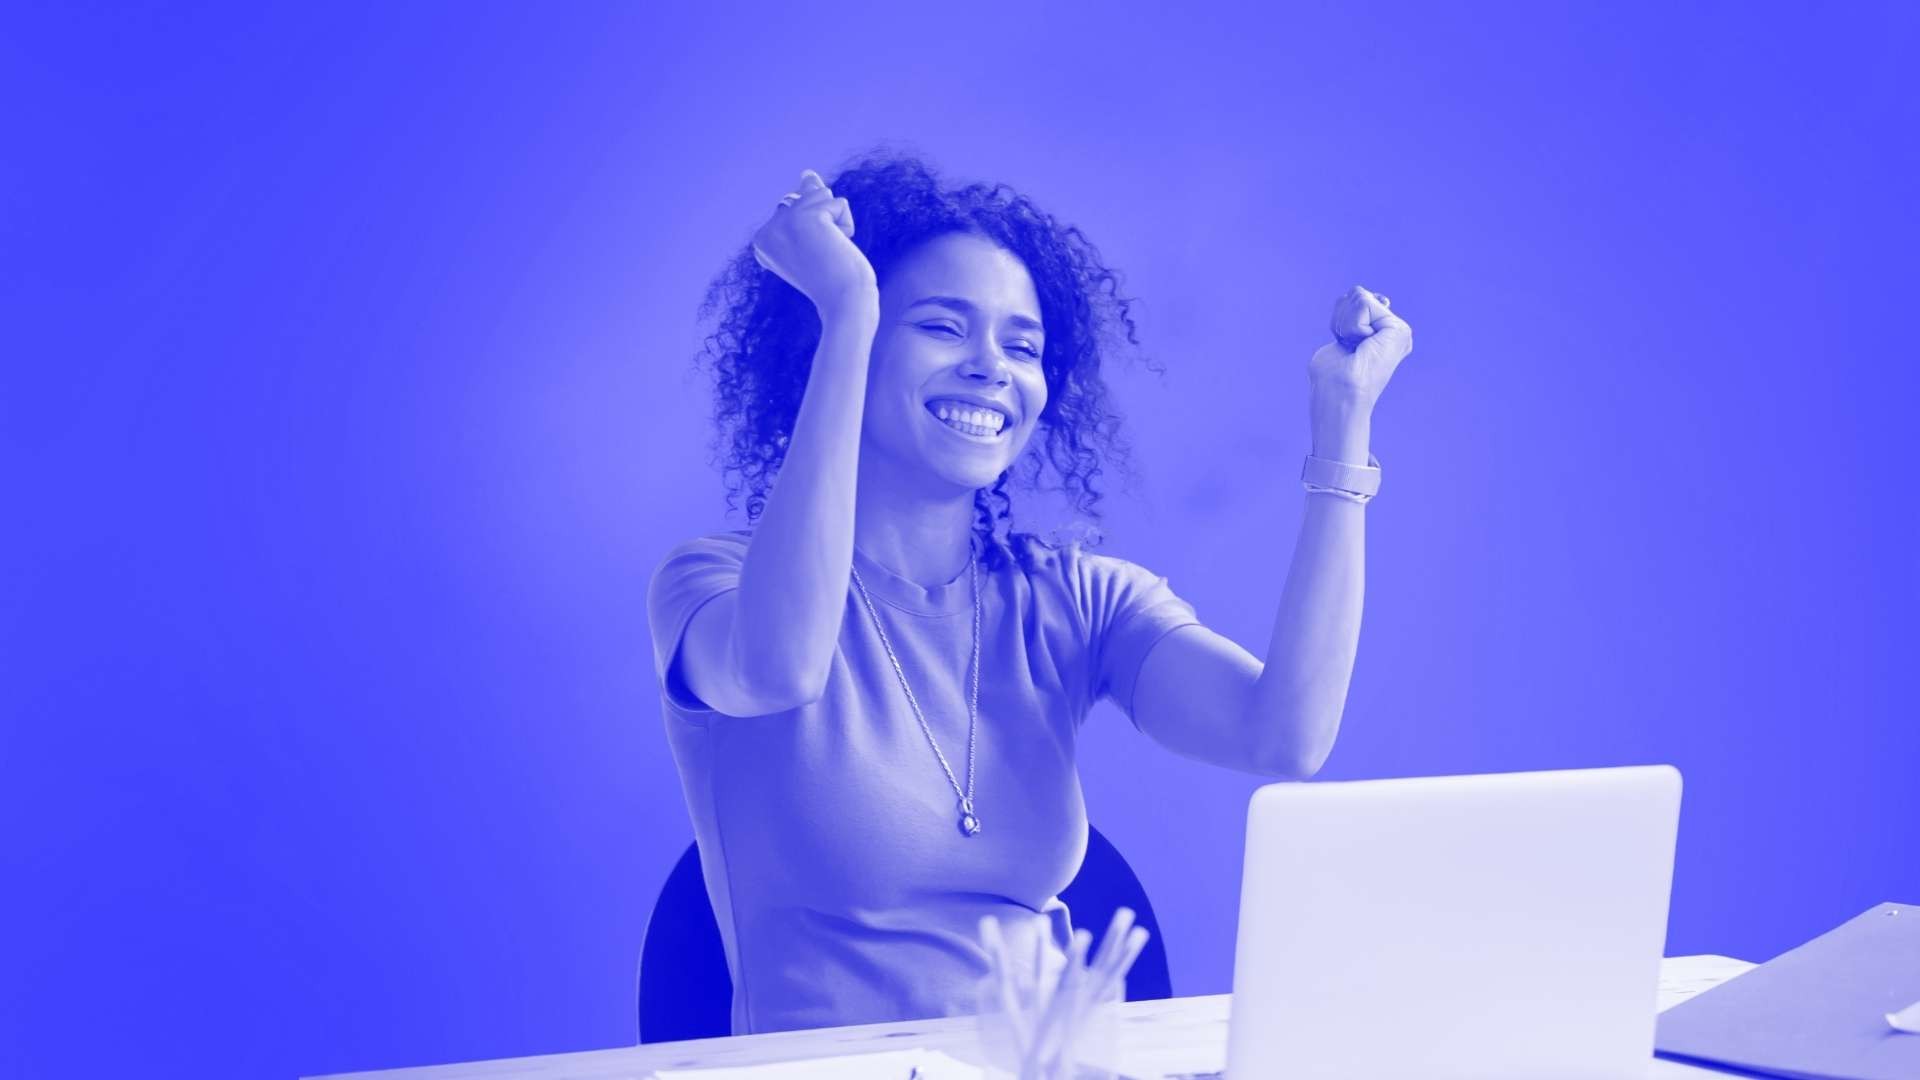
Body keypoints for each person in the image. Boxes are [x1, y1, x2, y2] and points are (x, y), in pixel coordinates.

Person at [646, 151, 1413, 1036]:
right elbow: (778, 669)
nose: (990, 367)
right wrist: (848, 308)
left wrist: (1343, 423)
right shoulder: (713, 583)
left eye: (1023, 345)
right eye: (940, 328)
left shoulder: (1071, 598)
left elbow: (1283, 735)